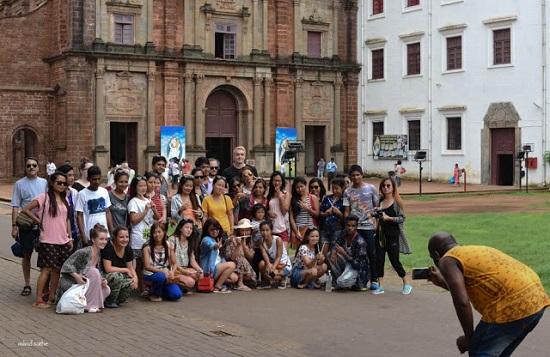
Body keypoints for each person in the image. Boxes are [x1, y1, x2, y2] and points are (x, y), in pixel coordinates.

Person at [427, 232, 549, 356]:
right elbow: (468, 289)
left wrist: (469, 338)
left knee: (478, 350)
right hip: (536, 300)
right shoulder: (473, 250)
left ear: (436, 255)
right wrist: (443, 283)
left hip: (511, 306)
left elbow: (462, 302)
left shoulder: (446, 260)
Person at [22, 172, 72, 308]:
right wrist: (39, 221)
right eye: (59, 183)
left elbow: (67, 219)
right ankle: (38, 300)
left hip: (63, 240)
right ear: (52, 183)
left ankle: (51, 297)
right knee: (46, 270)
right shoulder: (43, 197)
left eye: (64, 183)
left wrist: (70, 237)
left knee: (57, 269)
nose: (62, 185)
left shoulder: (65, 199)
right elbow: (26, 209)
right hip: (48, 239)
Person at [10, 157, 47, 296]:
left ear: (38, 167)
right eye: (28, 165)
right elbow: (15, 206)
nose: (31, 167)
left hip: (42, 225)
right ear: (25, 168)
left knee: (44, 256)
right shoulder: (19, 184)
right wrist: (14, 226)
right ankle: (27, 284)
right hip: (26, 225)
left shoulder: (44, 183)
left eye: (34, 165)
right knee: (26, 255)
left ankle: (44, 286)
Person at [56, 223, 111, 312]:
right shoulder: (84, 252)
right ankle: (89, 306)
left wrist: (102, 280)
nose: (104, 242)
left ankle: (89, 303)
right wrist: (77, 276)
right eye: (101, 239)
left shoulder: (99, 254)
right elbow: (66, 265)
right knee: (94, 271)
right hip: (72, 281)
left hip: (85, 282)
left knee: (106, 289)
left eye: (105, 239)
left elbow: (98, 273)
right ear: (93, 239)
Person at [372, 177, 412, 295]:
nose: (386, 188)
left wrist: (389, 218)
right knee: (379, 260)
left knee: (394, 260)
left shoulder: (396, 202)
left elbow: (402, 218)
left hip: (392, 235)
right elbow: (377, 218)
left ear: (393, 187)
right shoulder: (380, 201)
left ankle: (406, 283)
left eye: (388, 186)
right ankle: (381, 286)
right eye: (383, 186)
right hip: (379, 235)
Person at [343, 164, 380, 290]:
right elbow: (347, 210)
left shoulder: (371, 188)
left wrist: (376, 223)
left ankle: (374, 279)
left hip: (369, 225)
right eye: (353, 175)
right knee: (356, 255)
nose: (356, 177)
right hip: (355, 227)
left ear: (362, 175)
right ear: (350, 177)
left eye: (358, 175)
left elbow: (376, 207)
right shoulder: (347, 191)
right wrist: (347, 226)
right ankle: (358, 278)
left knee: (371, 253)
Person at [128, 175, 159, 295]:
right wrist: (145, 210)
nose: (143, 188)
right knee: (140, 264)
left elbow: (156, 218)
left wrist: (154, 208)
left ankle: (149, 286)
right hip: (138, 238)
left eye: (145, 185)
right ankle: (141, 287)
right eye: (140, 186)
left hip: (149, 237)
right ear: (135, 188)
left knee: (150, 263)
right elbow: (134, 220)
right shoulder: (133, 202)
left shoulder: (147, 200)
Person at [327, 215, 369, 290]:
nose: (350, 228)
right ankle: (340, 278)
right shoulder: (344, 233)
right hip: (347, 262)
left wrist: (344, 254)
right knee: (329, 255)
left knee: (341, 282)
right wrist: (333, 251)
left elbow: (359, 265)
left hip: (357, 269)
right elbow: (335, 244)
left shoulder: (360, 242)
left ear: (356, 227)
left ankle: (355, 282)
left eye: (353, 226)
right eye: (348, 225)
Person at [142, 222, 182, 302]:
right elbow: (147, 266)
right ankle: (155, 294)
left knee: (177, 295)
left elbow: (175, 263)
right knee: (160, 276)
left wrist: (172, 273)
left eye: (159, 232)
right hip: (152, 275)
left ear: (164, 233)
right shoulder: (147, 247)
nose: (157, 235)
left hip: (166, 275)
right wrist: (163, 272)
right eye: (155, 232)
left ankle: (156, 291)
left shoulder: (169, 245)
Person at [75, 165, 113, 246]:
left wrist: (112, 231)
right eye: (94, 179)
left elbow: (108, 212)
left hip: (105, 235)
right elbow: (79, 215)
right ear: (88, 179)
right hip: (90, 236)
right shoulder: (82, 194)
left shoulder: (104, 192)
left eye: (99, 179)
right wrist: (83, 235)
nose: (97, 182)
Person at [199, 218, 238, 293]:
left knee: (234, 278)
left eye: (217, 229)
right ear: (207, 230)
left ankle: (215, 283)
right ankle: (218, 287)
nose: (215, 231)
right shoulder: (206, 239)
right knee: (232, 265)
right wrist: (216, 246)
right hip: (209, 269)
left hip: (218, 267)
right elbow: (211, 245)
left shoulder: (217, 239)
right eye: (212, 229)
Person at [102, 226, 137, 307]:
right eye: (121, 237)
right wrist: (125, 270)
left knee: (130, 282)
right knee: (117, 276)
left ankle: (117, 300)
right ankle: (108, 300)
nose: (125, 240)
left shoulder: (128, 248)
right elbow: (108, 268)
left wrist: (135, 277)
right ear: (115, 237)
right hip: (106, 277)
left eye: (127, 237)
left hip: (120, 276)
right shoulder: (109, 247)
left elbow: (130, 267)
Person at [169, 219, 204, 292]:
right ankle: (174, 283)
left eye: (191, 228)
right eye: (187, 227)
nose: (189, 230)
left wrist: (199, 269)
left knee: (200, 275)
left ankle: (181, 284)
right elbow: (171, 260)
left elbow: (192, 260)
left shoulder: (190, 242)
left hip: (185, 269)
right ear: (180, 228)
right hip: (174, 269)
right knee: (191, 282)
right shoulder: (173, 239)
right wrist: (182, 271)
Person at [257, 220, 292, 289]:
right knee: (261, 264)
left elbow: (278, 257)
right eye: (262, 230)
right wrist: (268, 264)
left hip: (284, 264)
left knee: (270, 275)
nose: (265, 233)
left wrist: (273, 267)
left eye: (267, 230)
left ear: (271, 230)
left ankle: (283, 278)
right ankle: (266, 282)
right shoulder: (261, 241)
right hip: (273, 263)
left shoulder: (277, 240)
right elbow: (264, 254)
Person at [224, 219, 257, 291]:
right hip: (232, 262)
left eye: (247, 230)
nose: (245, 233)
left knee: (249, 276)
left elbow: (251, 257)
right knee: (240, 257)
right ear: (238, 230)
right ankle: (239, 283)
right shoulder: (232, 239)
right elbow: (232, 257)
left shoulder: (249, 240)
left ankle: (237, 282)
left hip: (244, 265)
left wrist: (245, 248)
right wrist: (239, 245)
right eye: (242, 230)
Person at [290, 176, 320, 249]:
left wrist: (307, 209)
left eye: (301, 186)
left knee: (311, 251)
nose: (300, 189)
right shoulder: (293, 199)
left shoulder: (312, 197)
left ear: (305, 186)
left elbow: (317, 214)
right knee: (300, 251)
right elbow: (291, 217)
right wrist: (296, 231)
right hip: (298, 229)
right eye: (297, 187)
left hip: (310, 229)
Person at [57, 164, 81, 250]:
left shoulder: (74, 193)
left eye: (73, 175)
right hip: (59, 233)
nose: (72, 178)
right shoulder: (55, 194)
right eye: (69, 175)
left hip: (74, 232)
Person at [320, 178, 345, 257]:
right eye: (333, 188)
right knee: (324, 252)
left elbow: (347, 218)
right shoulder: (327, 198)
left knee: (333, 253)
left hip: (337, 230)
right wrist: (325, 214)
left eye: (337, 188)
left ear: (342, 188)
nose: (334, 191)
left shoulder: (344, 199)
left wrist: (339, 213)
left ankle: (332, 269)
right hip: (325, 229)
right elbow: (320, 212)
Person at [266, 171, 291, 250]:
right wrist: (268, 212)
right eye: (275, 180)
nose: (276, 183)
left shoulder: (286, 194)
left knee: (284, 255)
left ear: (282, 182)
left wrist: (280, 197)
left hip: (282, 228)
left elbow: (284, 210)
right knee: (273, 254)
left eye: (279, 181)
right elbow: (265, 210)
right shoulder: (269, 195)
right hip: (271, 229)